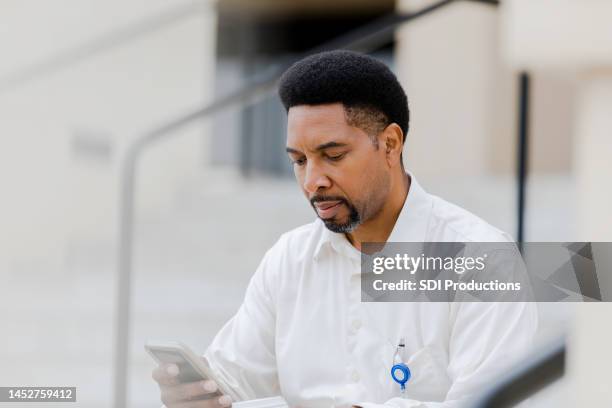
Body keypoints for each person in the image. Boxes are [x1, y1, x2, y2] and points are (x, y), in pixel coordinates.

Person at [152, 50, 537, 408]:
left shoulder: (481, 258)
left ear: (390, 144)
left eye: (332, 156)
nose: (311, 181)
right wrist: (199, 396)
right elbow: (233, 380)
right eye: (299, 160)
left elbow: (490, 401)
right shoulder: (290, 259)